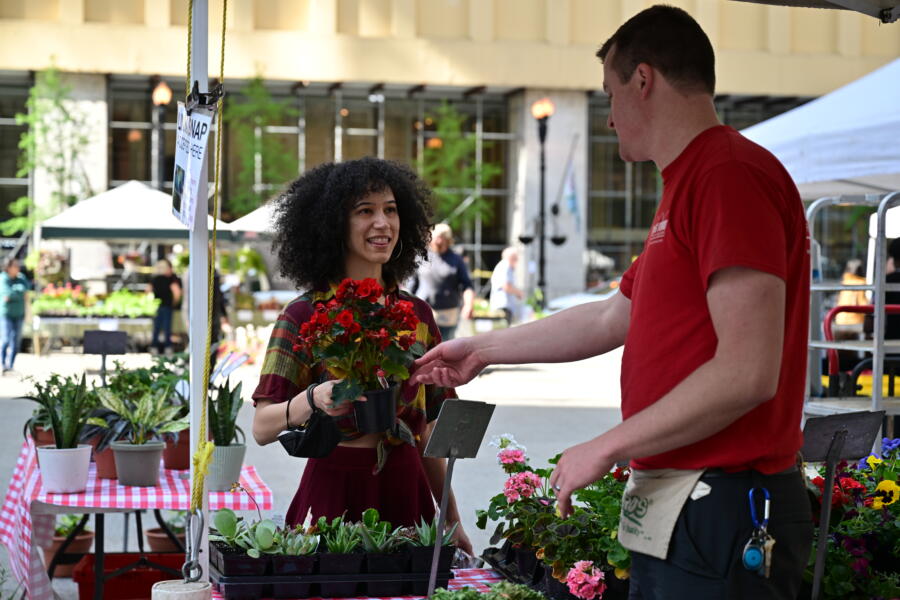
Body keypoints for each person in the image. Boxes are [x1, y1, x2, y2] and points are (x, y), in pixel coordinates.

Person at [412, 6, 811, 598]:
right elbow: (609, 315)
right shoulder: (690, 181)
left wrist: (607, 445)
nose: (607, 119)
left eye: (609, 93)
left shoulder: (726, 174)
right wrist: (482, 349)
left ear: (643, 80)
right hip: (691, 503)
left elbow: (747, 372)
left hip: (725, 502)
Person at [251, 157, 472, 554]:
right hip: (332, 491)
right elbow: (263, 427)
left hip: (406, 491)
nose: (383, 223)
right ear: (334, 222)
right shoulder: (303, 314)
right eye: (365, 211)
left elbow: (425, 433)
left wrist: (451, 519)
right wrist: (313, 399)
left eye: (390, 210)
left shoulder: (417, 315)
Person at [408, 223, 475, 340]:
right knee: (421, 348)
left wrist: (469, 305)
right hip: (423, 311)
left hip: (448, 314)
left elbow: (467, 285)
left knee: (444, 348)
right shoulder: (421, 257)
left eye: (442, 238)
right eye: (436, 237)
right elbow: (411, 286)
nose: (439, 241)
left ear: (448, 240)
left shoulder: (456, 259)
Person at [1, 257, 30, 374]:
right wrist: (19, 291)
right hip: (6, 315)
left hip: (19, 314)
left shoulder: (22, 278)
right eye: (15, 266)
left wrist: (15, 293)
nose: (18, 268)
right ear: (8, 267)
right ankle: (2, 364)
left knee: (16, 342)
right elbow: (7, 295)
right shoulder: (3, 278)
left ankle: (10, 366)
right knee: (5, 340)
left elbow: (26, 292)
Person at [147, 259, 182, 354]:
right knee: (167, 328)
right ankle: (168, 347)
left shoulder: (154, 279)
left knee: (156, 328)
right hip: (167, 306)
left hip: (157, 306)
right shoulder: (170, 279)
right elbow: (177, 292)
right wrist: (174, 303)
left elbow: (148, 292)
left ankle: (154, 346)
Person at [489, 247, 524, 325]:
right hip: (503, 306)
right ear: (511, 258)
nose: (517, 261)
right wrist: (519, 293)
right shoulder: (506, 266)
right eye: (516, 258)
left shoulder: (504, 266)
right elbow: (506, 286)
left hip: (503, 306)